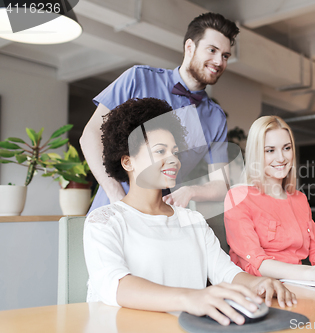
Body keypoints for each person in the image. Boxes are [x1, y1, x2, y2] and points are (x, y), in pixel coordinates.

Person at [83, 98, 296, 326]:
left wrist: (257, 283)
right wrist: (191, 298)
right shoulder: (104, 221)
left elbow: (225, 271)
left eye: (174, 151)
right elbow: (116, 285)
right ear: (127, 162)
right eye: (160, 151)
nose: (173, 159)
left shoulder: (191, 219)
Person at [81, 12, 238, 214]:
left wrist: (190, 191)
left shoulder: (215, 117)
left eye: (225, 56)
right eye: (212, 50)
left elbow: (221, 184)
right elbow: (90, 136)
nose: (219, 61)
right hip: (112, 211)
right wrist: (117, 196)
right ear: (189, 47)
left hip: (161, 221)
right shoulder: (138, 78)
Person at [224, 116, 315, 281]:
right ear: (256, 154)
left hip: (298, 286)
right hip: (259, 293)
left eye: (286, 148)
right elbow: (256, 262)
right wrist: (311, 273)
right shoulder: (238, 197)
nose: (281, 158)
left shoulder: (299, 199)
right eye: (270, 150)